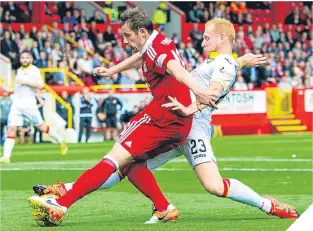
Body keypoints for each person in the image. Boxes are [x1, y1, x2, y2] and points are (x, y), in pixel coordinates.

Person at [32, 18, 299, 224]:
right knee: (128, 164)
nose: (202, 42)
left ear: (221, 38)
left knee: (214, 186)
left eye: (207, 38)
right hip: (179, 121)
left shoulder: (224, 64)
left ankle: (268, 205)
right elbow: (224, 66)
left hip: (192, 127)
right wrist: (241, 61)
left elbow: (214, 91)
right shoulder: (221, 61)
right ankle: (71, 192)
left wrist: (188, 108)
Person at [28, 7, 215, 226]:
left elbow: (178, 71)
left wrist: (200, 93)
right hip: (179, 122)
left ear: (142, 32)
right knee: (129, 164)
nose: (124, 41)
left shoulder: (156, 50)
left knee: (112, 159)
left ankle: (62, 203)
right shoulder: (157, 42)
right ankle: (163, 208)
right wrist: (112, 70)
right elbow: (141, 56)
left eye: (128, 35)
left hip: (161, 117)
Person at [0, 51, 68, 164]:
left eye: (27, 58)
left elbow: (40, 85)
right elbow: (19, 88)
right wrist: (10, 91)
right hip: (16, 104)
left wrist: (26, 82)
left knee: (41, 126)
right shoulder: (19, 70)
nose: (24, 60)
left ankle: (60, 140)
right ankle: (6, 157)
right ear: (20, 59)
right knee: (11, 128)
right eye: (22, 57)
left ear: (30, 59)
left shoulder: (34, 70)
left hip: (29, 105)